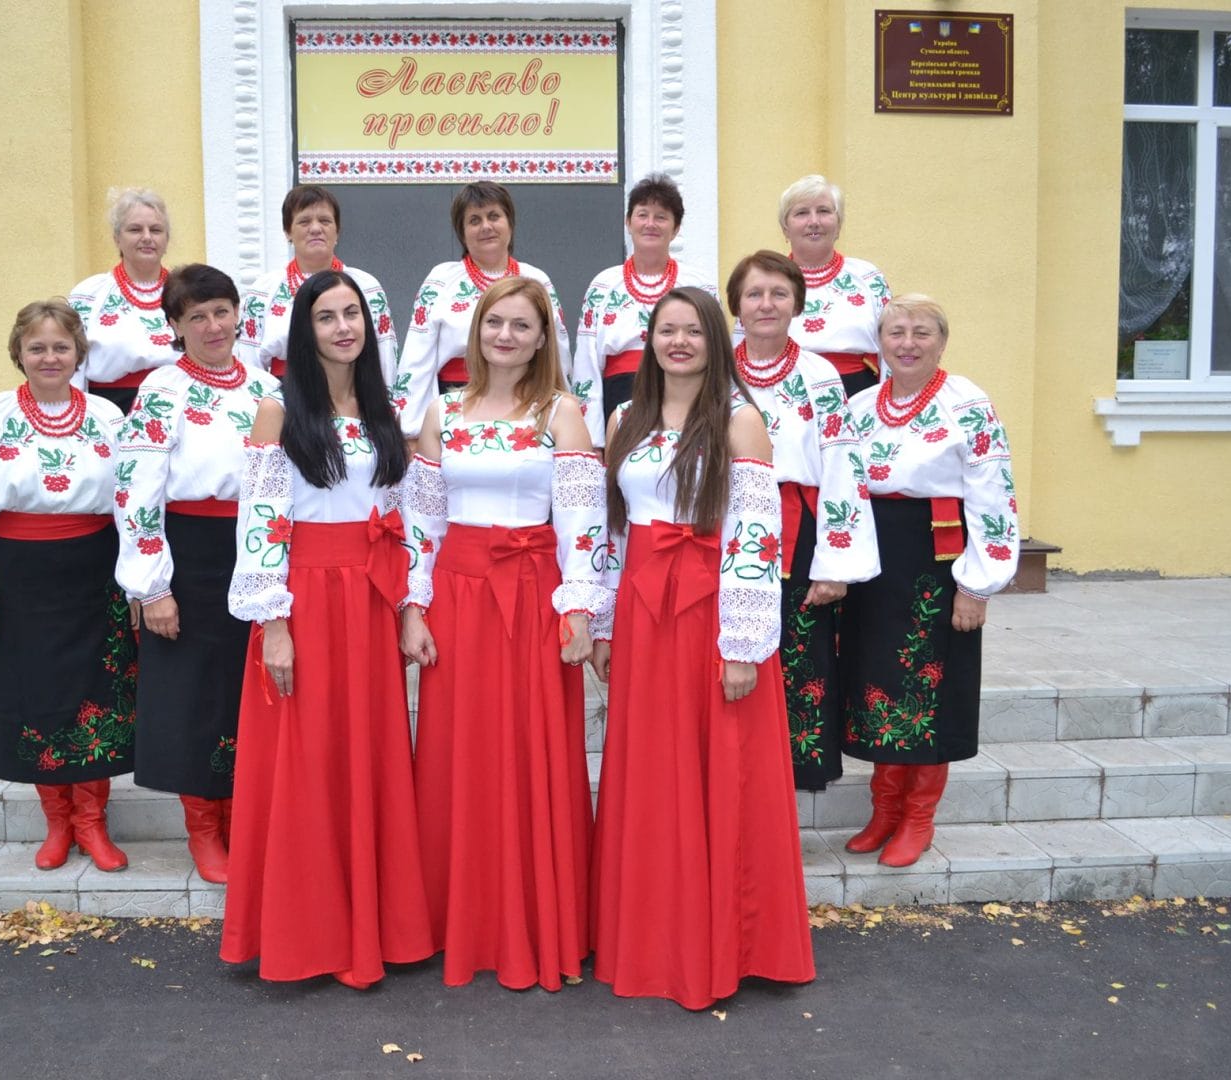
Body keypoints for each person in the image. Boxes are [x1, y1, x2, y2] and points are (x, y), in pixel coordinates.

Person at [590, 287, 815, 1010]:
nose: (679, 342)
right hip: (644, 610)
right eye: (667, 330)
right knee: (652, 773)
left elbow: (757, 533)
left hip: (712, 610)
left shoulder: (742, 421)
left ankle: (723, 940)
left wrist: (744, 643)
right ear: (650, 340)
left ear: (715, 342)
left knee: (718, 768)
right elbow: (613, 530)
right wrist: (602, 621)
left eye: (693, 331)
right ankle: (649, 936)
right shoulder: (626, 416)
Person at [219, 269, 432, 988]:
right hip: (303, 598)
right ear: (304, 334)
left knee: (367, 757)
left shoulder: (387, 412)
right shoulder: (278, 413)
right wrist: (273, 625)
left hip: (370, 602)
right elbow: (261, 524)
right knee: (304, 763)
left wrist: (408, 608)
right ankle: (305, 934)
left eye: (353, 314)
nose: (343, 327)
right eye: (327, 317)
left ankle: (374, 929)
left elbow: (403, 520)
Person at [399, 276, 607, 991]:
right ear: (475, 331)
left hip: (531, 594)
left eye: (522, 325)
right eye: (496, 324)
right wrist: (413, 605)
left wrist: (580, 605)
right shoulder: (441, 412)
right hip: (457, 595)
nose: (507, 336)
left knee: (534, 752)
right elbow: (420, 520)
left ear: (544, 337)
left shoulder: (562, 412)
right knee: (459, 753)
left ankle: (541, 923)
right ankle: (461, 921)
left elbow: (583, 519)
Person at [0, 299, 133, 873]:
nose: (50, 357)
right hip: (20, 574)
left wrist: (140, 581)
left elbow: (131, 502)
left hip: (95, 571)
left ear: (79, 353)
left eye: (61, 346)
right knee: (36, 695)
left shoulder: (108, 417)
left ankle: (93, 822)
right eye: (37, 347)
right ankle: (57, 824)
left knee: (95, 696)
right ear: (18, 353)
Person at [839, 294, 1019, 867]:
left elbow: (994, 495)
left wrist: (977, 585)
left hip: (936, 562)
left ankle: (919, 816)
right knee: (876, 681)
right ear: (880, 342)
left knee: (927, 688)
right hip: (874, 562)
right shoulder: (862, 405)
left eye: (921, 332)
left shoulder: (968, 404)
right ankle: (885, 808)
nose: (907, 343)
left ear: (942, 341)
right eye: (896, 332)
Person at [114, 263, 278, 884]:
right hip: (191, 553)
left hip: (258, 548)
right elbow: (136, 489)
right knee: (195, 695)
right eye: (197, 317)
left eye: (222, 311)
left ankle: (245, 819)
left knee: (248, 691)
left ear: (240, 314)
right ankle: (204, 830)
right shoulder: (163, 389)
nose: (214, 326)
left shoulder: (269, 387)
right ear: (176, 328)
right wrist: (152, 584)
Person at [727, 251, 880, 791]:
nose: (765, 304)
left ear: (797, 305)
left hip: (798, 530)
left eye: (778, 293)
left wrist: (835, 563)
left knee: (798, 653)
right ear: (736, 308)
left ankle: (789, 779)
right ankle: (726, 764)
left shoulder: (819, 375)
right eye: (753, 294)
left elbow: (843, 467)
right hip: (721, 527)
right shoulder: (713, 367)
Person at [392, 181, 570, 437]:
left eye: (494, 216)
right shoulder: (441, 279)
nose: (486, 226)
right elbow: (417, 359)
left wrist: (562, 417)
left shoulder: (536, 280)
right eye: (474, 220)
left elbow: (558, 354)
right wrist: (412, 432)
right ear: (462, 232)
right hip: (457, 402)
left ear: (510, 223)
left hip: (527, 404)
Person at [571, 174, 718, 447]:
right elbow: (586, 366)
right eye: (642, 215)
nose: (650, 224)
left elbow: (716, 357)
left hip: (688, 402)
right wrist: (593, 442)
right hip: (619, 402)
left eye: (661, 217)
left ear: (675, 228)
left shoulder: (699, 284)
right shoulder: (603, 285)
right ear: (628, 222)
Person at [238, 185, 398, 383]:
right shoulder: (264, 290)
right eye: (304, 221)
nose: (315, 229)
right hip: (284, 396)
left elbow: (385, 357)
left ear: (337, 231)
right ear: (288, 232)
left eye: (325, 221)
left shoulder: (366, 287)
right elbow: (249, 363)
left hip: (352, 395)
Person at [777, 174, 892, 398]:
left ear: (838, 224)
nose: (814, 221)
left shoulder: (868, 277)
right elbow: (744, 351)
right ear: (785, 228)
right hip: (788, 396)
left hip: (858, 396)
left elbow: (892, 348)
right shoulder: (768, 280)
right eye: (801, 213)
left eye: (824, 211)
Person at [69, 188, 183, 413]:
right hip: (110, 411)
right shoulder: (90, 295)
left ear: (167, 239)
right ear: (117, 238)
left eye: (156, 230)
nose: (147, 237)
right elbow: (72, 367)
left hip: (178, 408)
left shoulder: (187, 293)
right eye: (135, 229)